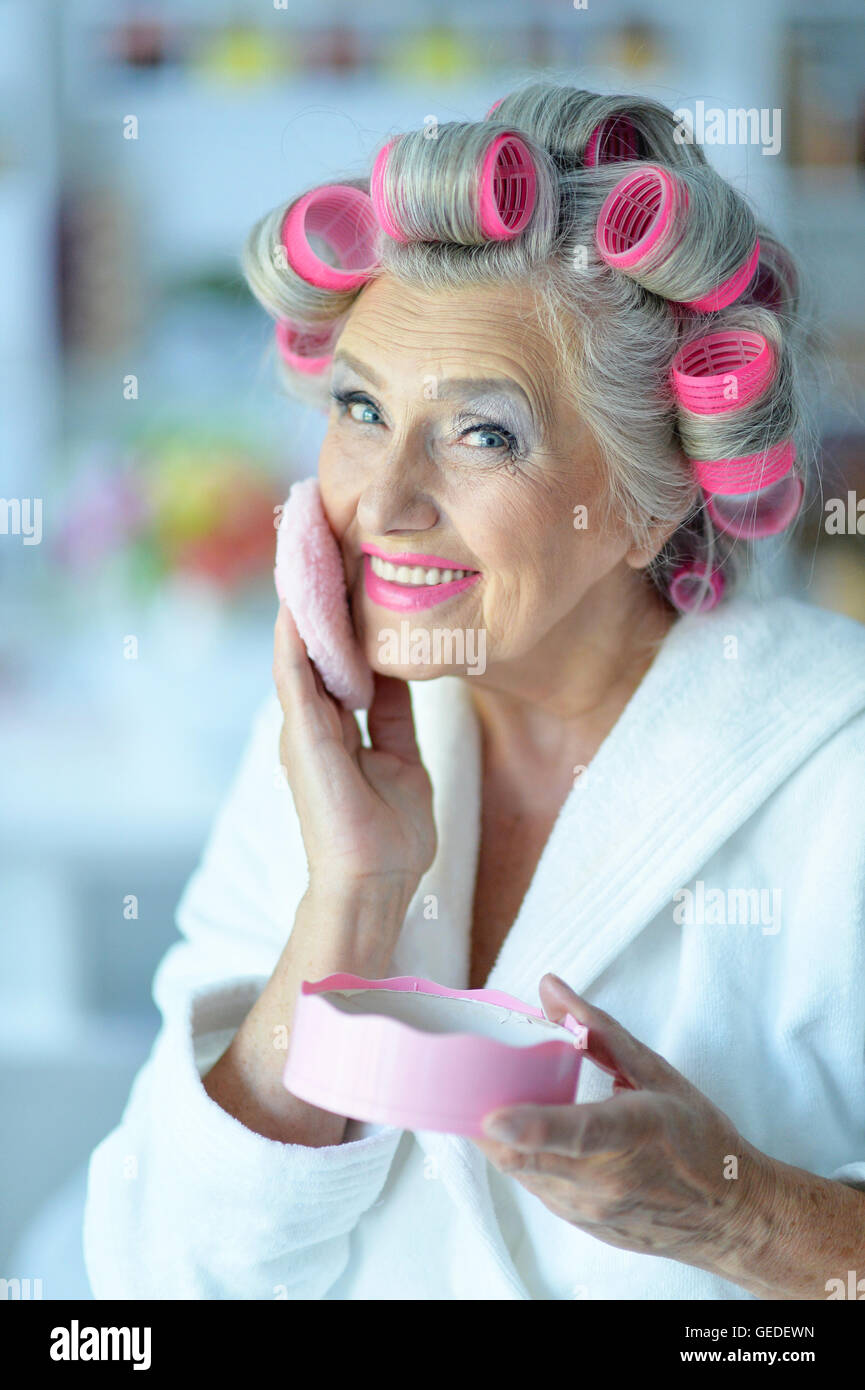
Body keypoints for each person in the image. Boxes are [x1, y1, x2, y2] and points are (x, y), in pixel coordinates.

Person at [84, 81, 865, 1301]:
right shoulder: (321, 743)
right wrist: (352, 894)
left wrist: (739, 1215)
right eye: (360, 409)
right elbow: (150, 1278)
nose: (382, 502)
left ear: (654, 493)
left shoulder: (838, 771)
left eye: (483, 435)